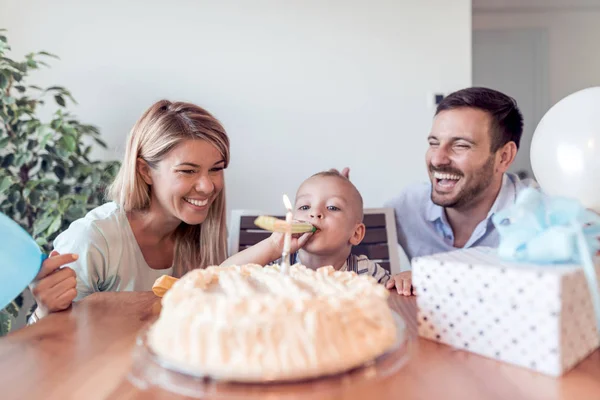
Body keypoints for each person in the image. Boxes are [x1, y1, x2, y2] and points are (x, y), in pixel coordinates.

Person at [29, 100, 230, 320]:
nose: (208, 186)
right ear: (145, 171)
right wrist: (45, 310)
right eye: (188, 171)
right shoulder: (92, 239)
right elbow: (47, 341)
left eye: (216, 169)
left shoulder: (204, 234)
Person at [384, 87, 538, 295]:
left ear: (504, 157)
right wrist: (336, 197)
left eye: (461, 145)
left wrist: (435, 275)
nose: (438, 159)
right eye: (434, 143)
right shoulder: (407, 206)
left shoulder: (541, 217)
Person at [222, 170, 391, 284]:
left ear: (356, 233)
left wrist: (405, 279)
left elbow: (397, 294)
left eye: (332, 207)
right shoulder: (278, 265)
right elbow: (221, 275)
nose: (315, 213)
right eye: (304, 207)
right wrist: (273, 246)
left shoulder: (365, 272)